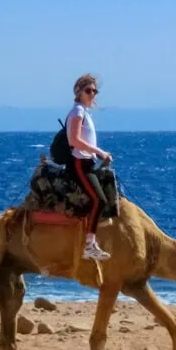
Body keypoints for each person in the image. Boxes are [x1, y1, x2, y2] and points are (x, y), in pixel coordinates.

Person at [66, 74, 112, 261]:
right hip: (80, 163)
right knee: (99, 201)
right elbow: (74, 140)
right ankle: (89, 245)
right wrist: (99, 152)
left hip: (88, 163)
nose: (92, 94)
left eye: (94, 91)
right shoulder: (77, 112)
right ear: (79, 92)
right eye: (88, 90)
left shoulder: (84, 112)